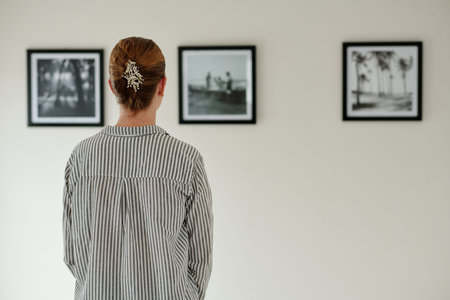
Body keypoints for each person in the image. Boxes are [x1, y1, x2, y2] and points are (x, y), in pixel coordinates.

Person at [62, 36, 214, 300]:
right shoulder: (186, 160)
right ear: (162, 84)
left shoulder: (80, 158)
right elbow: (200, 260)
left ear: (111, 87)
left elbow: (73, 256)